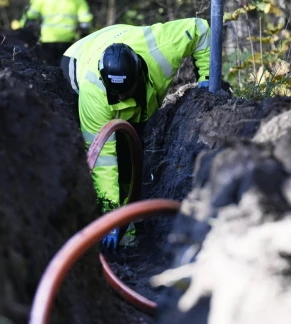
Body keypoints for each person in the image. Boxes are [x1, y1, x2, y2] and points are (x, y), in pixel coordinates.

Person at [61, 18, 221, 249]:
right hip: (77, 60)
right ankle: (125, 227)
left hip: (119, 39)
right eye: (118, 95)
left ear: (139, 74)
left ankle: (132, 215)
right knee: (120, 158)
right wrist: (110, 217)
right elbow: (103, 160)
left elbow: (200, 28)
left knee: (135, 147)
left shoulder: (162, 48)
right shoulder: (93, 94)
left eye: (128, 92)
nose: (124, 98)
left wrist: (207, 78)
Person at [21, 0, 93, 65]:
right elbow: (85, 20)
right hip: (68, 40)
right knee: (65, 67)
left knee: (48, 68)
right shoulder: (77, 1)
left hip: (47, 39)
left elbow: (30, 16)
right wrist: (84, 35)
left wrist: (22, 28)